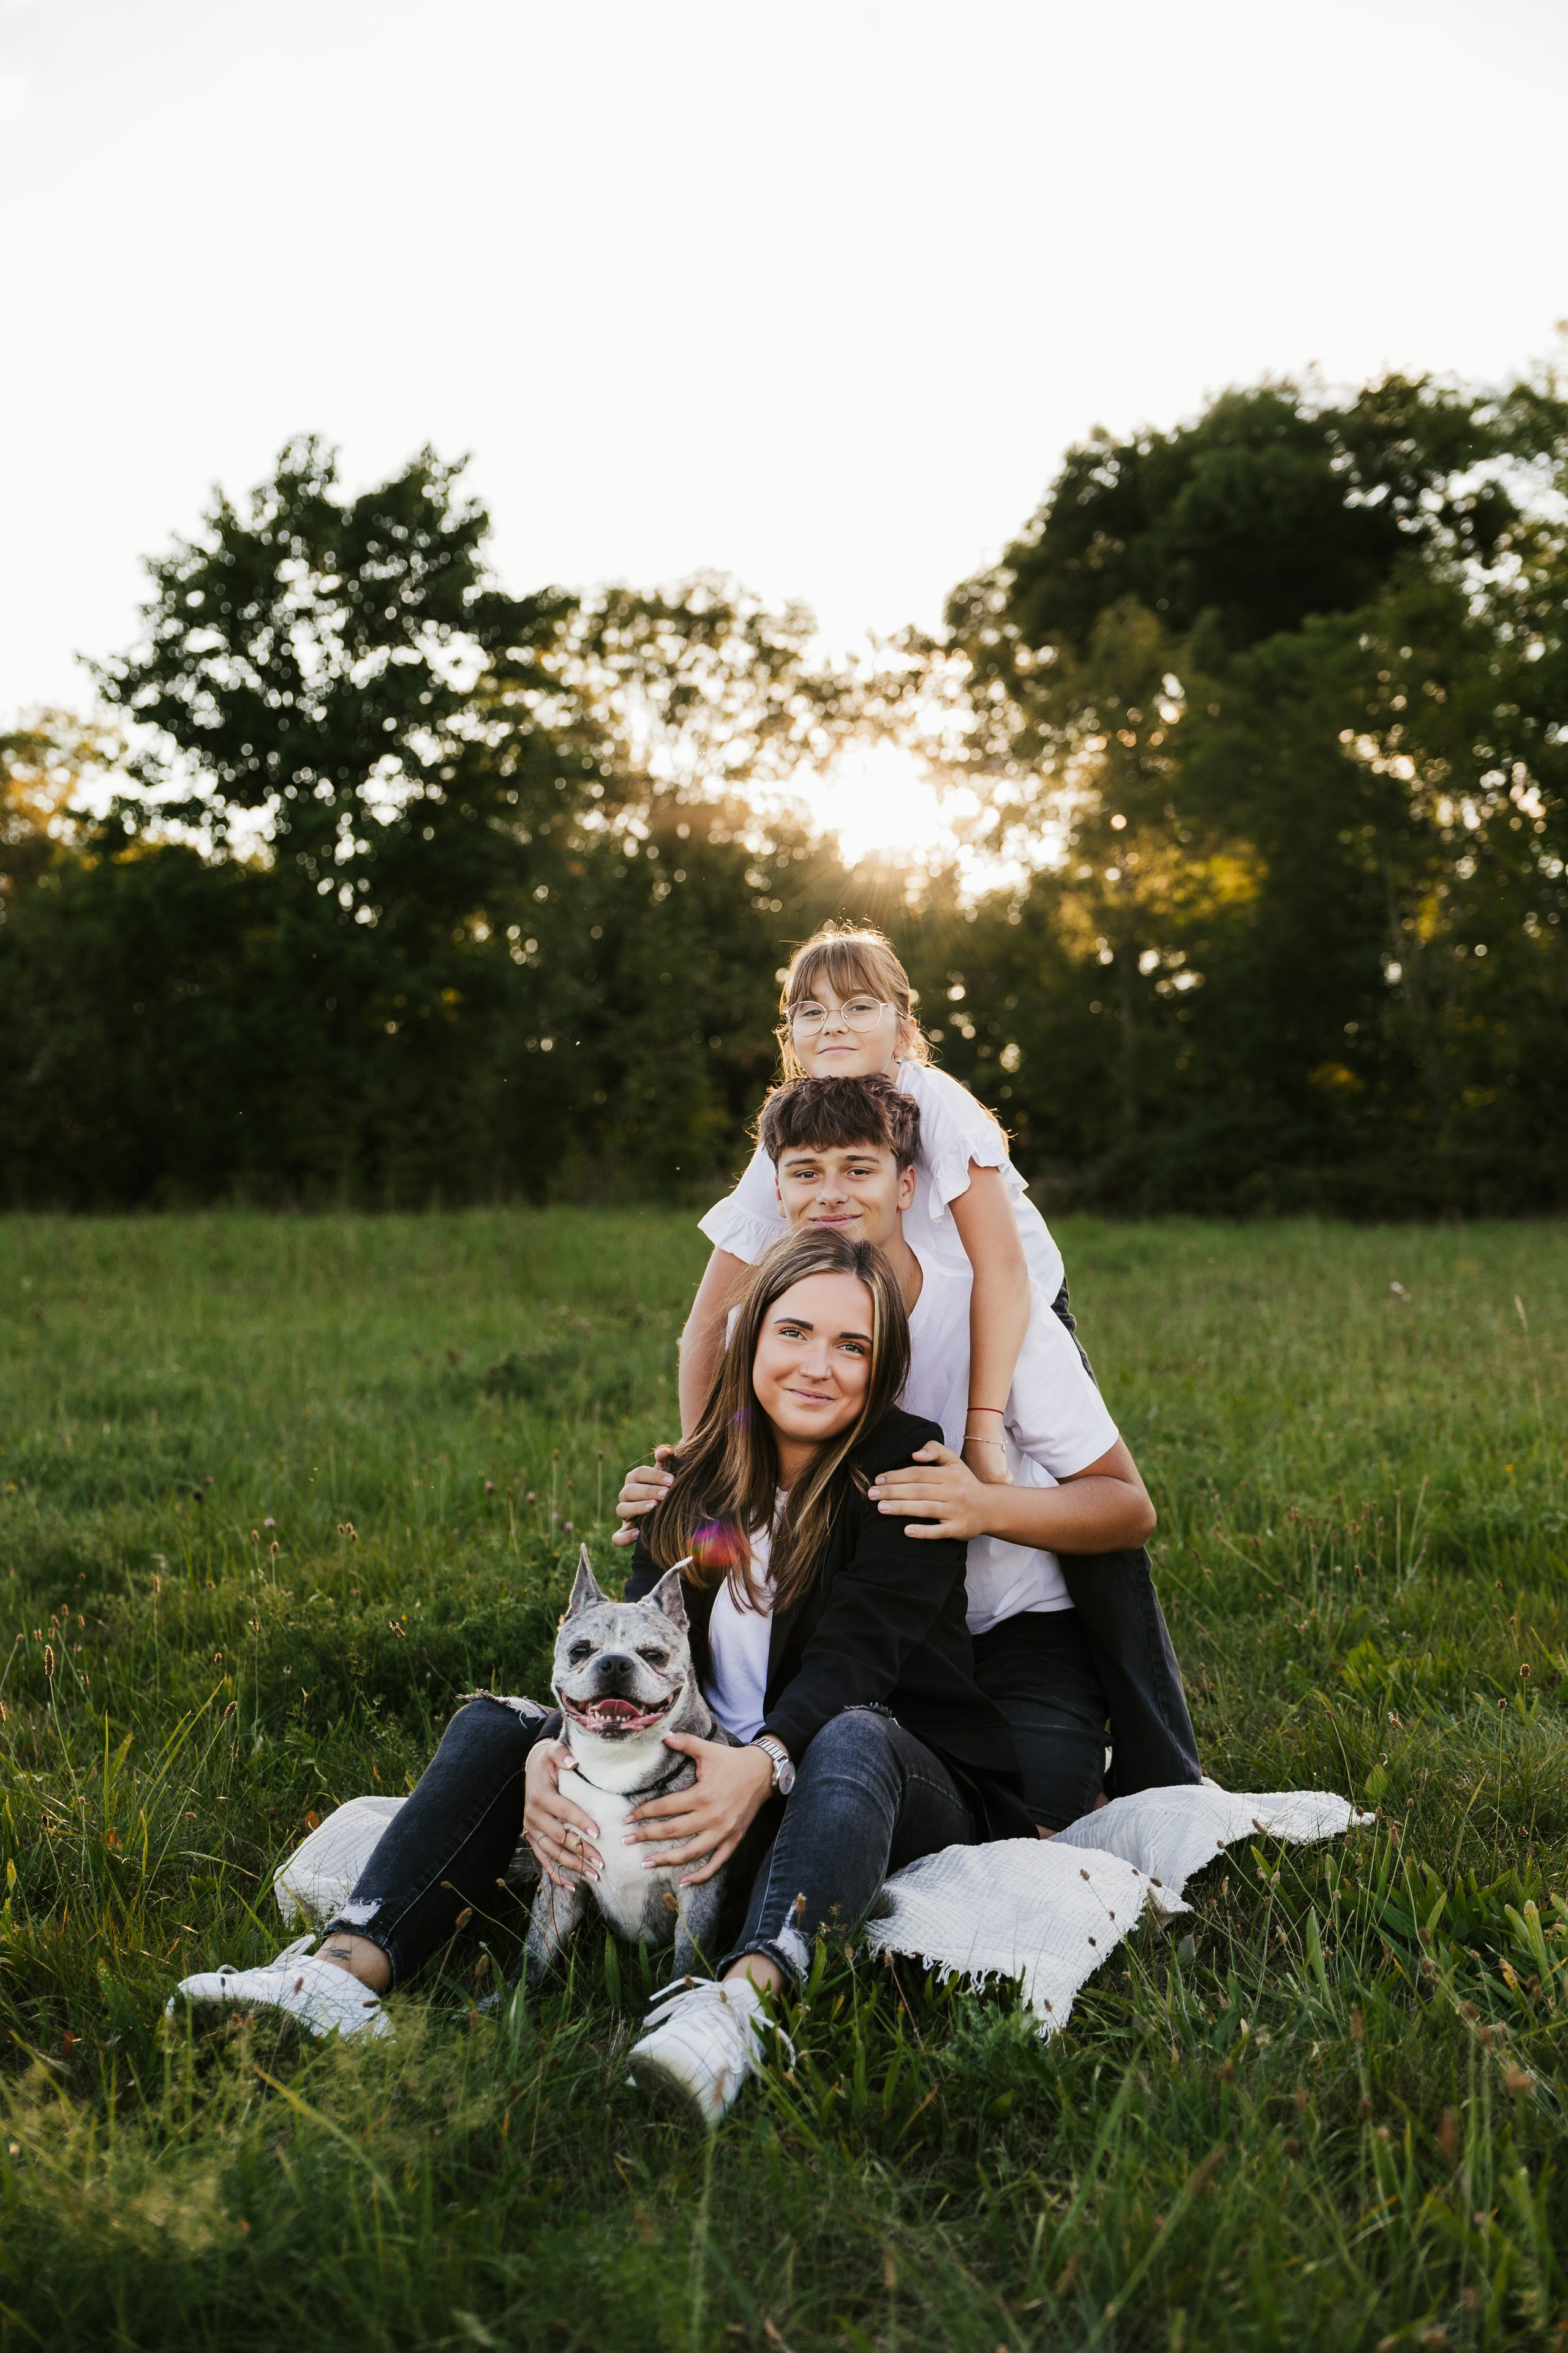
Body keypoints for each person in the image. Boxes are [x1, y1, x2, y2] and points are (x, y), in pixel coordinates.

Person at [167, 1229, 1056, 2128]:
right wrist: (551, 1760)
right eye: (794, 1332)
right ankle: (340, 1974)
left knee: (849, 1729)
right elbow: (630, 1643)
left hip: (877, 1780)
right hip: (697, 1768)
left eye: (852, 1345)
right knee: (495, 1726)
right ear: (751, 1342)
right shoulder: (704, 1476)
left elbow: (859, 1654)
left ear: (884, 1366)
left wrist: (763, 1762)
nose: (817, 1364)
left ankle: (737, 2011)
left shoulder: (901, 1469)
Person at [617, 1073, 1200, 1822]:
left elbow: (1128, 1509)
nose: (830, 1195)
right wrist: (678, 1494)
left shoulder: (991, 1316)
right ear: (779, 1197)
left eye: (859, 1170)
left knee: (1020, 1825)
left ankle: (1083, 1760)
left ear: (906, 1186)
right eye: (805, 1174)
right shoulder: (772, 1327)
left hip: (1013, 1634)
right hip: (864, 1634)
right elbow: (741, 1477)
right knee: (837, 1789)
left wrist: (984, 1504)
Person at [680, 921, 1060, 1490]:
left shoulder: (935, 1102)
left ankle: (1105, 1574)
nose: (833, 1023)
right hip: (900, 1309)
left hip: (1020, 1309)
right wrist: (697, 1456)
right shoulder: (797, 1131)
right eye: (811, 1011)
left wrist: (981, 1437)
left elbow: (1004, 1271)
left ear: (904, 1031)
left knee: (1051, 1467)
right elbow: (713, 1315)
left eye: (858, 1006)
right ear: (790, 1037)